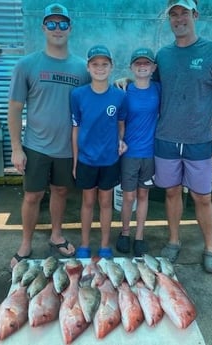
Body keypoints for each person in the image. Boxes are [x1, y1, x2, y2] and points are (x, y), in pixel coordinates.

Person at [154, 0, 212, 273]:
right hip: (165, 139)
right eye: (173, 14)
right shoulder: (162, 55)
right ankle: (174, 241)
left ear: (195, 15)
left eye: (184, 13)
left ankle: (209, 248)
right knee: (172, 192)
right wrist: (127, 82)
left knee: (202, 197)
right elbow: (150, 89)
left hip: (199, 141)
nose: (179, 19)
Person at [8, 3, 90, 269]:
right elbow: (15, 108)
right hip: (36, 146)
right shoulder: (26, 64)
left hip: (67, 148)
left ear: (70, 28)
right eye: (52, 24)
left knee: (61, 191)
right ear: (43, 28)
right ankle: (26, 243)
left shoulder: (81, 68)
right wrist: (17, 148)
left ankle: (56, 236)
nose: (58, 29)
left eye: (63, 24)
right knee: (32, 196)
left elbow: (97, 96)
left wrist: (123, 82)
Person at [71, 45, 127, 259]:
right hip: (86, 159)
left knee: (105, 202)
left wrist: (120, 141)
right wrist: (76, 161)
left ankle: (104, 245)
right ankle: (84, 244)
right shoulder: (77, 95)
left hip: (109, 160)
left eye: (104, 64)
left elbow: (121, 125)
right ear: (88, 67)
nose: (100, 68)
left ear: (111, 67)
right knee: (87, 202)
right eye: (95, 64)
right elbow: (75, 129)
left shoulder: (119, 96)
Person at [115, 48, 161, 257]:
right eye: (138, 63)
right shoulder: (123, 90)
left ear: (153, 68)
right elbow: (118, 121)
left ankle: (140, 236)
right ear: (131, 67)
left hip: (150, 153)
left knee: (143, 195)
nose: (142, 66)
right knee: (128, 196)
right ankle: (125, 233)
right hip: (129, 154)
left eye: (146, 63)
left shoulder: (160, 89)